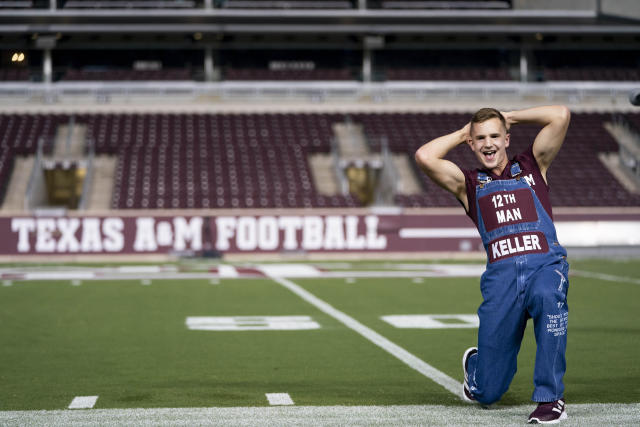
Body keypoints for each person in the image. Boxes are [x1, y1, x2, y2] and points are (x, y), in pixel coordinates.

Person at [415, 105, 571, 424]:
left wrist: (508, 116)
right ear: (471, 144)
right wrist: (463, 133)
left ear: (507, 139)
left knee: (549, 299)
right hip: (501, 282)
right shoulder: (468, 184)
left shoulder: (532, 164)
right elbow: (425, 157)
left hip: (545, 267)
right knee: (487, 394)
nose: (489, 143)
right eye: (481, 138)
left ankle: (550, 398)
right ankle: (479, 368)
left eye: (495, 136)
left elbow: (561, 115)